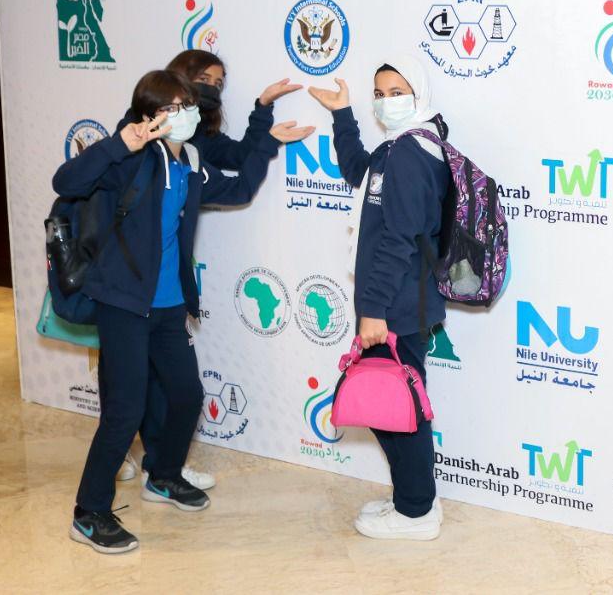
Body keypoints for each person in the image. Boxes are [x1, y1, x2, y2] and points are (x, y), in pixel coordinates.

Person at [57, 69, 283, 553]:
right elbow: (67, 180)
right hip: (123, 303)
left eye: (188, 105)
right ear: (149, 117)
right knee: (125, 411)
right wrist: (121, 142)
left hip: (168, 305)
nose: (184, 115)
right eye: (172, 108)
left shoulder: (192, 161)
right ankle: (89, 512)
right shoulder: (132, 161)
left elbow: (239, 190)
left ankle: (163, 476)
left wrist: (266, 140)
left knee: (186, 394)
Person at [114, 50, 312, 490]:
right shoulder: (135, 144)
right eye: (201, 79)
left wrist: (263, 114)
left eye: (218, 83)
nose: (210, 89)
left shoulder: (197, 149)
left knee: (172, 387)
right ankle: (122, 459)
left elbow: (241, 172)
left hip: (168, 292)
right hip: (124, 289)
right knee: (129, 387)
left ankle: (161, 468)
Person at [308, 57, 448, 540]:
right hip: (399, 299)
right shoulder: (399, 147)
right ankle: (415, 500)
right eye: (379, 92)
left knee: (398, 409)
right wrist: (343, 114)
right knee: (401, 403)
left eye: (397, 91)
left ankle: (415, 513)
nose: (386, 101)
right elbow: (358, 173)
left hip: (397, 303)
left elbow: (398, 239)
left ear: (419, 93)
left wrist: (373, 310)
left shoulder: (412, 153)